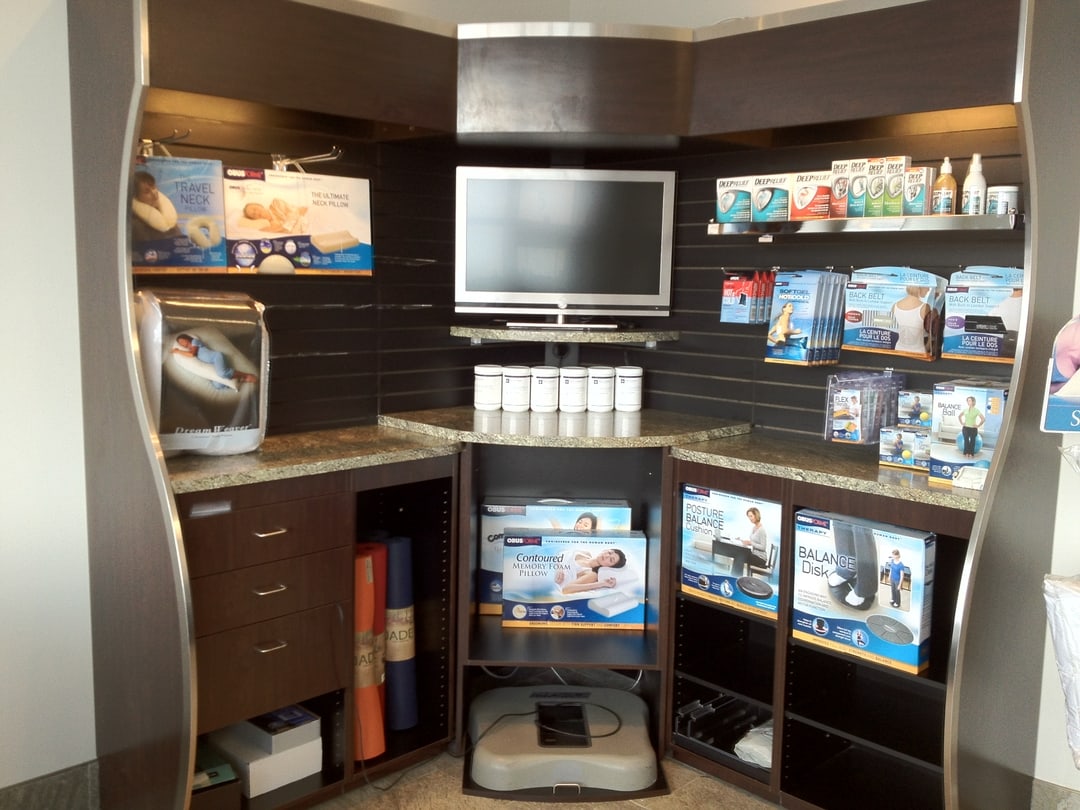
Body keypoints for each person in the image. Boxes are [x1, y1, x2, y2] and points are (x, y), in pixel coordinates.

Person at [172, 333, 257, 388]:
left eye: (182, 341)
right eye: (180, 343)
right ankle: (239, 379)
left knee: (222, 373)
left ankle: (246, 375)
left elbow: (192, 354)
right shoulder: (189, 350)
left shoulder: (194, 342)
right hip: (213, 363)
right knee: (217, 385)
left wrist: (178, 351)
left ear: (187, 338)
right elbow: (190, 354)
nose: (182, 344)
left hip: (216, 357)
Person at [131, 171, 180, 241]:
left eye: (153, 187)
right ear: (137, 198)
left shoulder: (167, 218)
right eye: (147, 192)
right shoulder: (136, 226)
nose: (154, 193)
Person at [554, 548, 626, 594]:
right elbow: (560, 553)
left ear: (609, 567)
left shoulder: (591, 574)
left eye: (611, 560)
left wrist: (602, 584)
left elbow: (566, 590)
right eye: (609, 552)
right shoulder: (585, 553)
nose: (607, 556)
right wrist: (559, 567)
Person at [891, 285, 932, 355]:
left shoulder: (894, 306)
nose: (928, 289)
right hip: (918, 352)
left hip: (899, 349)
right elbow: (931, 332)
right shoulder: (925, 307)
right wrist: (928, 346)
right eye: (927, 286)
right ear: (919, 287)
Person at [242, 199, 308, 232]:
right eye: (253, 215)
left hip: (308, 215)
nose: (256, 213)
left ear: (260, 205)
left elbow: (296, 211)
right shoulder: (270, 226)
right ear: (255, 220)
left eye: (255, 209)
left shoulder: (276, 203)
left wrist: (285, 226)